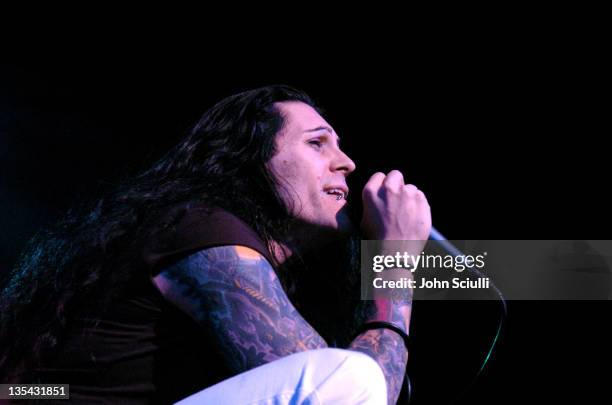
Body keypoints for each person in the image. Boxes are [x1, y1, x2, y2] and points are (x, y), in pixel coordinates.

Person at [0, 85, 431, 404]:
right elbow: (350, 390)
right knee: (350, 375)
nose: (347, 163)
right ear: (249, 161)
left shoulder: (271, 266)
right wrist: (394, 262)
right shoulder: (200, 228)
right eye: (316, 143)